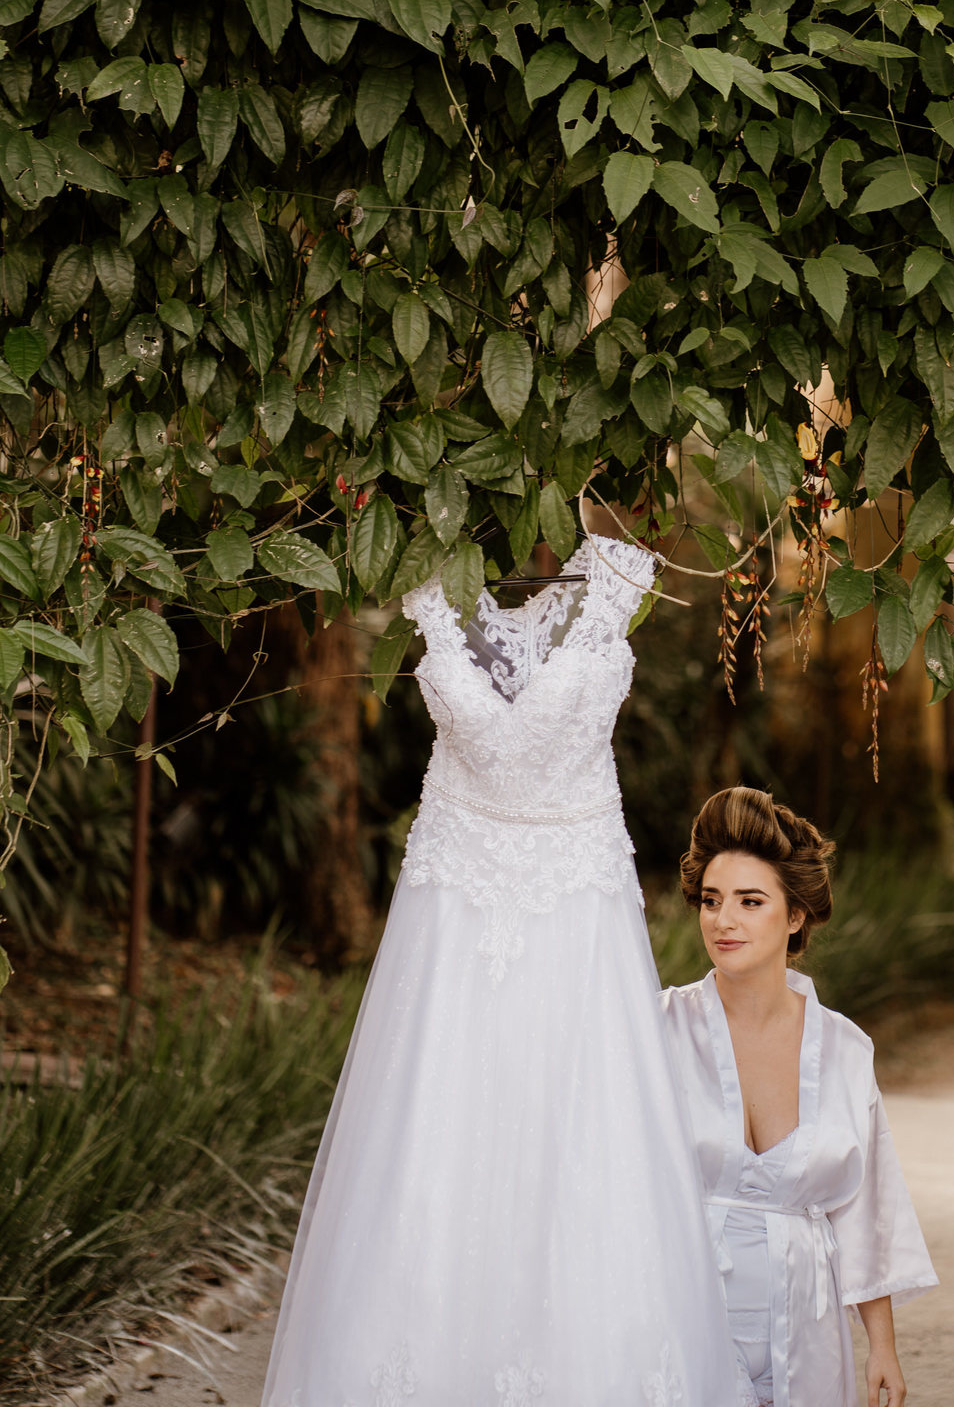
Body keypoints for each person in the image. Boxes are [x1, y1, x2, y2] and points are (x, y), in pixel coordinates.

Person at [262, 531, 738, 1407]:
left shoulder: (622, 574)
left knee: (577, 1136)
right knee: (439, 1134)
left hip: (575, 927)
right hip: (456, 925)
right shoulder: (426, 577)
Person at [660, 787, 937, 1407]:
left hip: (807, 1334)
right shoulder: (658, 1031)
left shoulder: (845, 1050)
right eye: (711, 900)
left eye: (749, 901)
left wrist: (882, 1348)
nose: (722, 920)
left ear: (795, 916)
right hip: (680, 1317)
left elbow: (867, 1207)